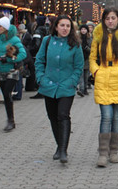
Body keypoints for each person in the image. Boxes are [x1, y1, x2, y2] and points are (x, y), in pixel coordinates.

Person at [89, 8, 118, 167]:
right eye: (107, 18)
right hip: (103, 79)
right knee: (106, 116)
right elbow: (92, 59)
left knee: (116, 118)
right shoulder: (98, 35)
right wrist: (96, 72)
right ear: (103, 20)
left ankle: (114, 151)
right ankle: (102, 153)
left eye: (113, 18)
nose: (110, 21)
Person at [35, 15, 84, 163]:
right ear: (56, 27)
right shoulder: (47, 41)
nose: (65, 29)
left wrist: (72, 82)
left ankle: (63, 150)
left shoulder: (75, 44)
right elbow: (39, 61)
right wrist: (41, 78)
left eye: (68, 26)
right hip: (49, 86)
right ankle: (59, 145)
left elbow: (78, 66)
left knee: (63, 115)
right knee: (53, 117)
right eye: (62, 25)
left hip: (66, 87)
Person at [0, 17, 26, 131]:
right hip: (0, 70)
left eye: (0, 26)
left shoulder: (14, 39)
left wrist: (10, 60)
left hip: (12, 70)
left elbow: (23, 54)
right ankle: (10, 119)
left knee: (6, 93)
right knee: (6, 95)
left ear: (5, 27)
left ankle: (11, 120)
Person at [30, 16, 50, 99]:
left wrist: (31, 50)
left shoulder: (37, 31)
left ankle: (41, 91)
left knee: (38, 71)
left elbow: (36, 44)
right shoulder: (47, 30)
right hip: (46, 53)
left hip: (38, 54)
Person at [12, 24, 33, 101]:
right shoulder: (17, 40)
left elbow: (22, 54)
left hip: (20, 62)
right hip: (23, 61)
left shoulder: (15, 42)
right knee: (18, 78)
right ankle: (17, 94)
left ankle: (17, 94)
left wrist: (14, 60)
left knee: (18, 78)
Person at [77, 24, 91, 96]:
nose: (83, 31)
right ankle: (81, 89)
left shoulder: (90, 38)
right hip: (79, 59)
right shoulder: (78, 38)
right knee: (81, 75)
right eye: (82, 29)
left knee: (86, 76)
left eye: (85, 29)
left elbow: (92, 50)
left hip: (87, 59)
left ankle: (85, 89)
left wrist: (86, 48)